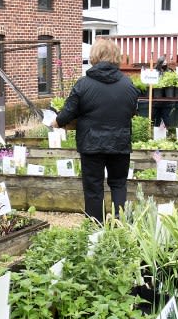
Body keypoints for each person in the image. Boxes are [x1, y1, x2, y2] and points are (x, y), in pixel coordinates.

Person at [51, 38, 138, 222]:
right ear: (116, 57)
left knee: (93, 187)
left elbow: (67, 114)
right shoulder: (128, 84)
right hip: (120, 143)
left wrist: (56, 122)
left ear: (94, 56)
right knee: (118, 184)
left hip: (91, 145)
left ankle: (95, 227)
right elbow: (132, 111)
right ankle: (120, 224)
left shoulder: (83, 84)